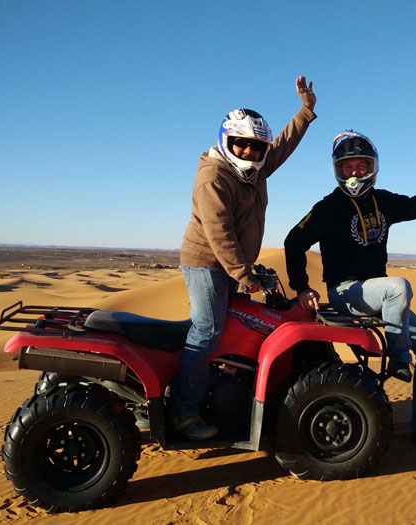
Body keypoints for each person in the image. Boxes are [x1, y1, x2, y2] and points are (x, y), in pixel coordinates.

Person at [284, 130, 416, 445]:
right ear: (338, 169)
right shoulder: (328, 207)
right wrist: (302, 287)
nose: (354, 172)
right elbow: (294, 242)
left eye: (361, 166)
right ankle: (399, 358)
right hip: (345, 292)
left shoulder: (383, 201)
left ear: (371, 167)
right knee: (398, 287)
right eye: (348, 167)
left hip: (380, 295)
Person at [172, 76, 317, 440]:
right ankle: (184, 412)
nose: (250, 153)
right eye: (242, 145)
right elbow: (218, 231)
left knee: (237, 327)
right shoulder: (214, 176)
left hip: (234, 263)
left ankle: (228, 391)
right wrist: (244, 274)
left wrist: (305, 111)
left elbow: (280, 147)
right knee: (206, 331)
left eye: (256, 147)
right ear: (227, 141)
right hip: (207, 261)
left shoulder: (254, 168)